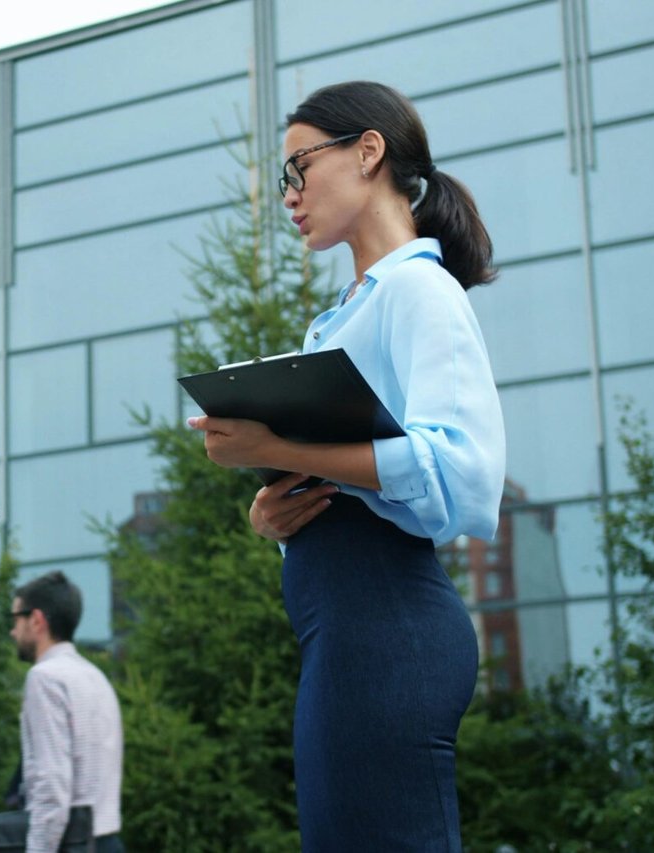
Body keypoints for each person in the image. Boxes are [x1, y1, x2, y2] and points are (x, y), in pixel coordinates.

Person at [187, 80, 505, 851]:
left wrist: (275, 450)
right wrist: (277, 508)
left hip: (386, 623)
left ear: (369, 152)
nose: (289, 193)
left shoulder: (419, 290)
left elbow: (461, 473)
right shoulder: (343, 315)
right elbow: (356, 474)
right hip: (348, 629)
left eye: (299, 166)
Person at [8, 571, 124, 853]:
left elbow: (51, 784)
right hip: (106, 839)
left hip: (70, 843)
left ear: (36, 620)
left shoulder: (45, 678)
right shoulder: (94, 676)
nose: (12, 631)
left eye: (15, 620)